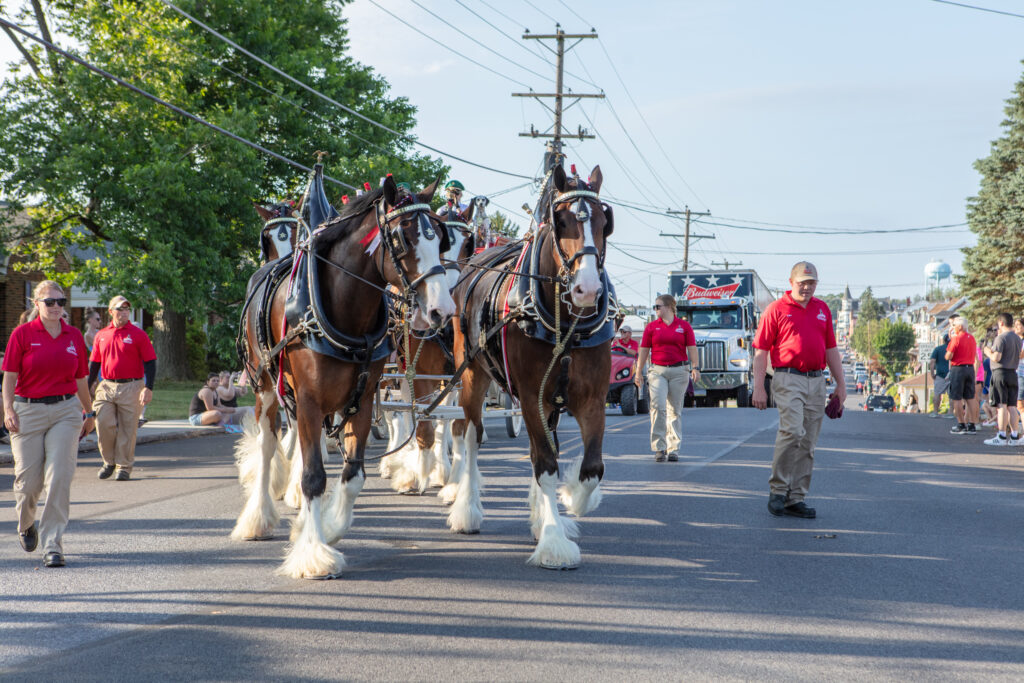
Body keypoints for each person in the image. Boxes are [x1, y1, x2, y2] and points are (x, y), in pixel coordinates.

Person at [2, 280, 95, 568]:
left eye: (61, 302)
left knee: (59, 476)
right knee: (28, 483)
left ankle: (53, 544)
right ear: (37, 304)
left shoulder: (73, 336)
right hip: (27, 411)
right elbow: (9, 377)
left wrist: (90, 413)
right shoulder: (22, 334)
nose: (56, 307)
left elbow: (81, 379)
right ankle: (26, 523)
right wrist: (7, 409)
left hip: (66, 411)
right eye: (50, 302)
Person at [752, 261, 845, 519]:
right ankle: (778, 490)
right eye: (802, 282)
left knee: (808, 443)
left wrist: (841, 383)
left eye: (811, 282)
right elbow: (760, 352)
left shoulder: (822, 309)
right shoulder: (776, 309)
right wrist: (758, 387)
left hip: (817, 380)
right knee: (792, 430)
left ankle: (796, 498)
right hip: (787, 377)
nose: (807, 287)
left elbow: (831, 350)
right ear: (791, 283)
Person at [88, 295, 156, 482]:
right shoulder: (101, 335)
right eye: (120, 309)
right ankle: (109, 462)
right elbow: (94, 364)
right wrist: (86, 389)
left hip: (132, 385)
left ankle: (124, 466)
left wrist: (148, 388)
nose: (124, 312)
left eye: (126, 309)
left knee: (128, 428)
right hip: (107, 385)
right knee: (103, 423)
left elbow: (150, 362)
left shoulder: (138, 334)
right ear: (111, 312)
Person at [634, 294, 700, 462]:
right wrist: (638, 371)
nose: (655, 309)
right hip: (657, 371)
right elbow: (643, 350)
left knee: (674, 410)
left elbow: (692, 348)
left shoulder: (683, 326)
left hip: (679, 371)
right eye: (655, 307)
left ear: (669, 307)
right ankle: (659, 447)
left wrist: (695, 367)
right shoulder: (651, 327)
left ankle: (674, 449)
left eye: (658, 306)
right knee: (658, 407)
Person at [983, 313, 1022, 446]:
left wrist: (987, 351)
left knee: (1001, 406)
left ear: (1001, 323)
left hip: (1001, 372)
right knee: (1012, 406)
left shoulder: (1001, 338)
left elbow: (996, 357)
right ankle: (1015, 435)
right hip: (1013, 372)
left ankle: (1001, 435)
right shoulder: (1017, 338)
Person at [945, 315, 978, 435]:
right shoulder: (972, 338)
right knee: (970, 398)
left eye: (954, 326)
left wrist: (950, 354)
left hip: (958, 368)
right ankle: (972, 424)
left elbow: (948, 355)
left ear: (960, 326)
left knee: (957, 398)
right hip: (970, 368)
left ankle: (961, 424)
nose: (953, 328)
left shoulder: (956, 338)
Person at [928, 334, 951, 417]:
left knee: (937, 393)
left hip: (941, 375)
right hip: (952, 374)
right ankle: (951, 413)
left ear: (943, 340)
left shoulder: (938, 349)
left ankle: (935, 412)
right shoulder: (954, 349)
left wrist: (932, 373)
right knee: (951, 395)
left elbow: (932, 362)